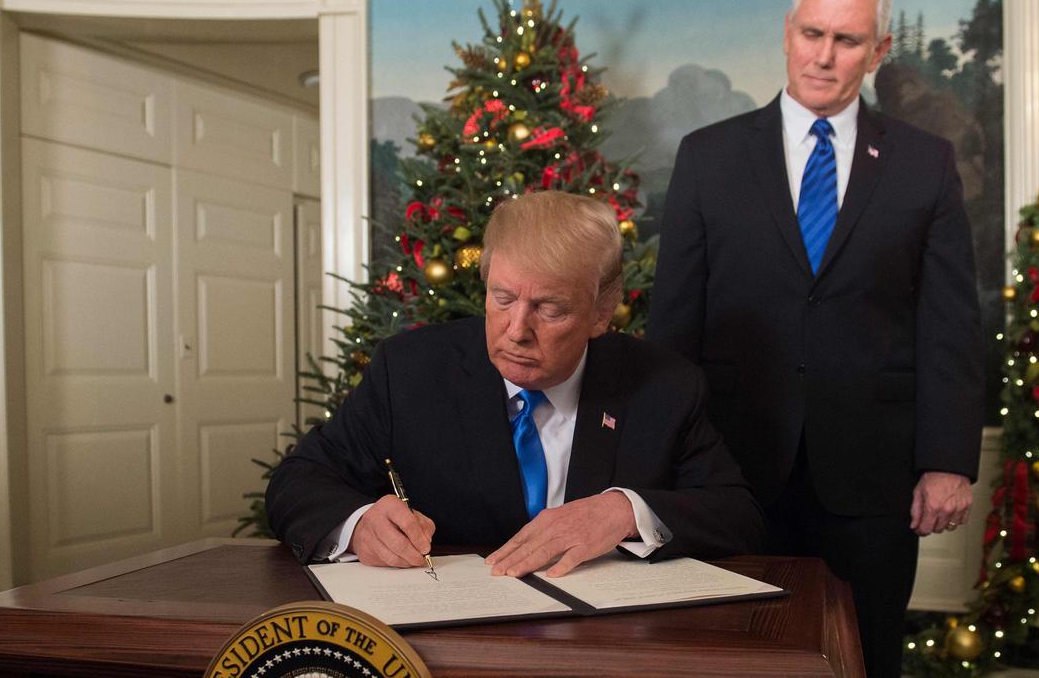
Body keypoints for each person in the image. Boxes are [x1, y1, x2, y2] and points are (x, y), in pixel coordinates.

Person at [646, 0, 984, 675]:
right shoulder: (708, 158)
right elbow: (674, 326)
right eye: (812, 33)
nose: (825, 56)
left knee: (864, 657)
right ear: (787, 33)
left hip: (874, 479)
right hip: (730, 474)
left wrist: (948, 461)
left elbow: (950, 325)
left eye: (848, 40)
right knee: (730, 659)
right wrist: (664, 461)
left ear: (880, 50)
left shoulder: (926, 164)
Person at [267, 190, 762, 579]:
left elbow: (738, 513)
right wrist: (357, 526)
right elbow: (297, 481)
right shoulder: (411, 370)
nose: (517, 329)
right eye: (502, 298)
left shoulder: (664, 385)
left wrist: (624, 512)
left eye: (550, 309)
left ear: (601, 314)